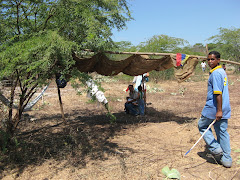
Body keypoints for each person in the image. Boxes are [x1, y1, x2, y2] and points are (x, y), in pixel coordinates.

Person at [198, 51, 232, 168]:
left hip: (214, 108)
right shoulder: (222, 71)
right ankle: (227, 159)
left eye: (212, 59)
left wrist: (219, 110)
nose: (210, 62)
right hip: (224, 106)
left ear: (218, 60)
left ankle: (216, 149)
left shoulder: (216, 74)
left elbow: (218, 93)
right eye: (208, 59)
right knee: (221, 131)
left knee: (202, 126)